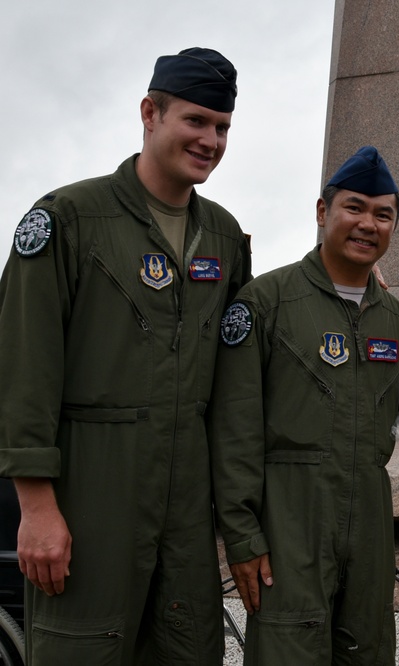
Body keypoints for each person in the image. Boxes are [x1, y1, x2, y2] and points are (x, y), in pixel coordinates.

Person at [0, 48, 248, 663]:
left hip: (187, 512)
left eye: (221, 127)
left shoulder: (224, 235)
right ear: (150, 112)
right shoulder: (69, 220)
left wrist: (350, 276)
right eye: (195, 121)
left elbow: (247, 358)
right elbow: (23, 368)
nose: (210, 140)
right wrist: (36, 509)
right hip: (91, 498)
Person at [209, 146, 399, 665]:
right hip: (288, 524)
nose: (368, 223)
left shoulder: (395, 320)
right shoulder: (266, 303)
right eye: (354, 207)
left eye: (382, 214)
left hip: (367, 522)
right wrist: (243, 538)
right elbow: (235, 431)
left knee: (368, 650)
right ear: (322, 212)